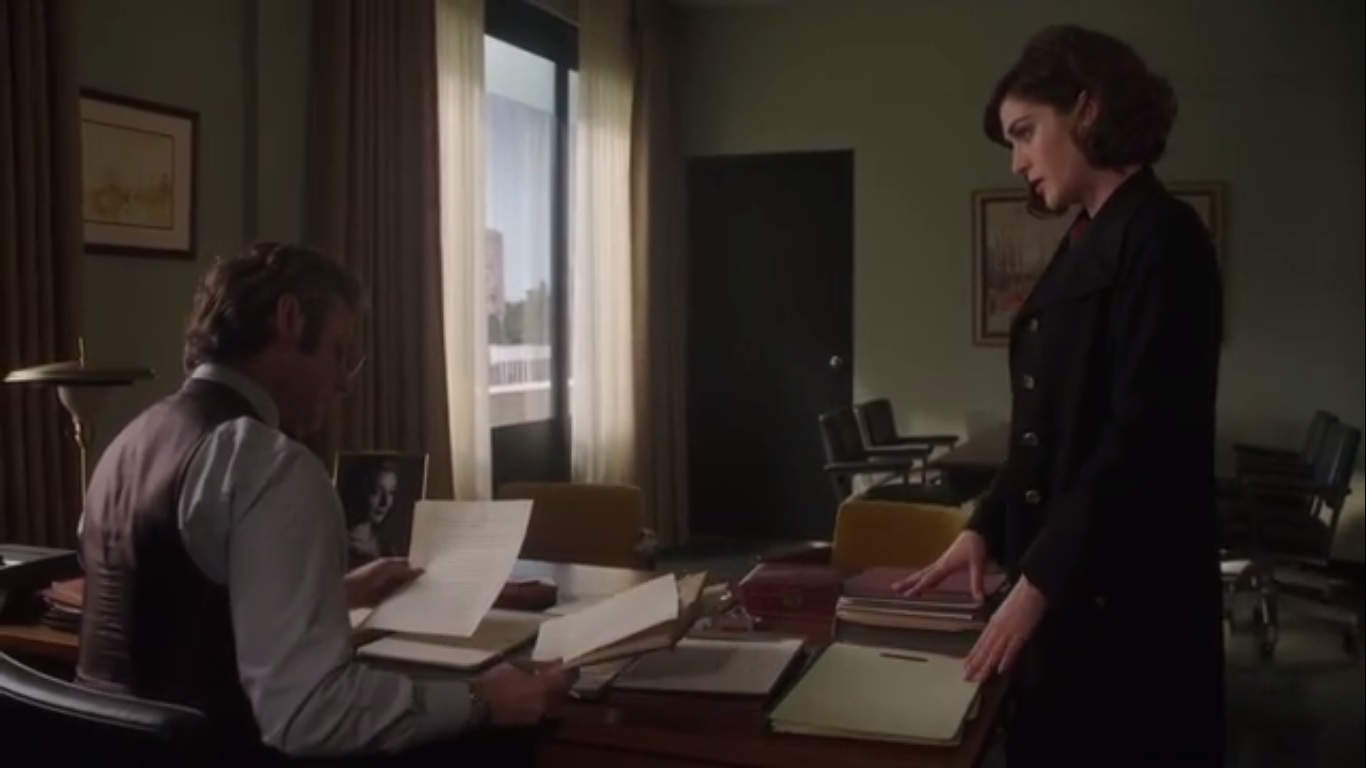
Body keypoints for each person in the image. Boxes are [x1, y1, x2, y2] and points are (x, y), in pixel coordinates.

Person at [76, 242, 572, 766]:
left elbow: (173, 609)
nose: (342, 384)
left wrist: (338, 593)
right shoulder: (270, 465)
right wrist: (480, 698)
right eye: (339, 353)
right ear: (289, 319)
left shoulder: (126, 444)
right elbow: (310, 714)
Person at [896, 25, 1225, 767]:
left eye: (1024, 132)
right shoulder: (1092, 235)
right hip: (1079, 582)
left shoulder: (1163, 237)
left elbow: (1142, 444)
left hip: (1129, 605)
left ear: (1087, 108)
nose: (1016, 160)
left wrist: (1040, 579)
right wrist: (985, 526)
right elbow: (1049, 430)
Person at [350, 461, 401, 561]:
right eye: (376, 491)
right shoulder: (337, 542)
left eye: (391, 492)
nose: (385, 502)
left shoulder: (386, 548)